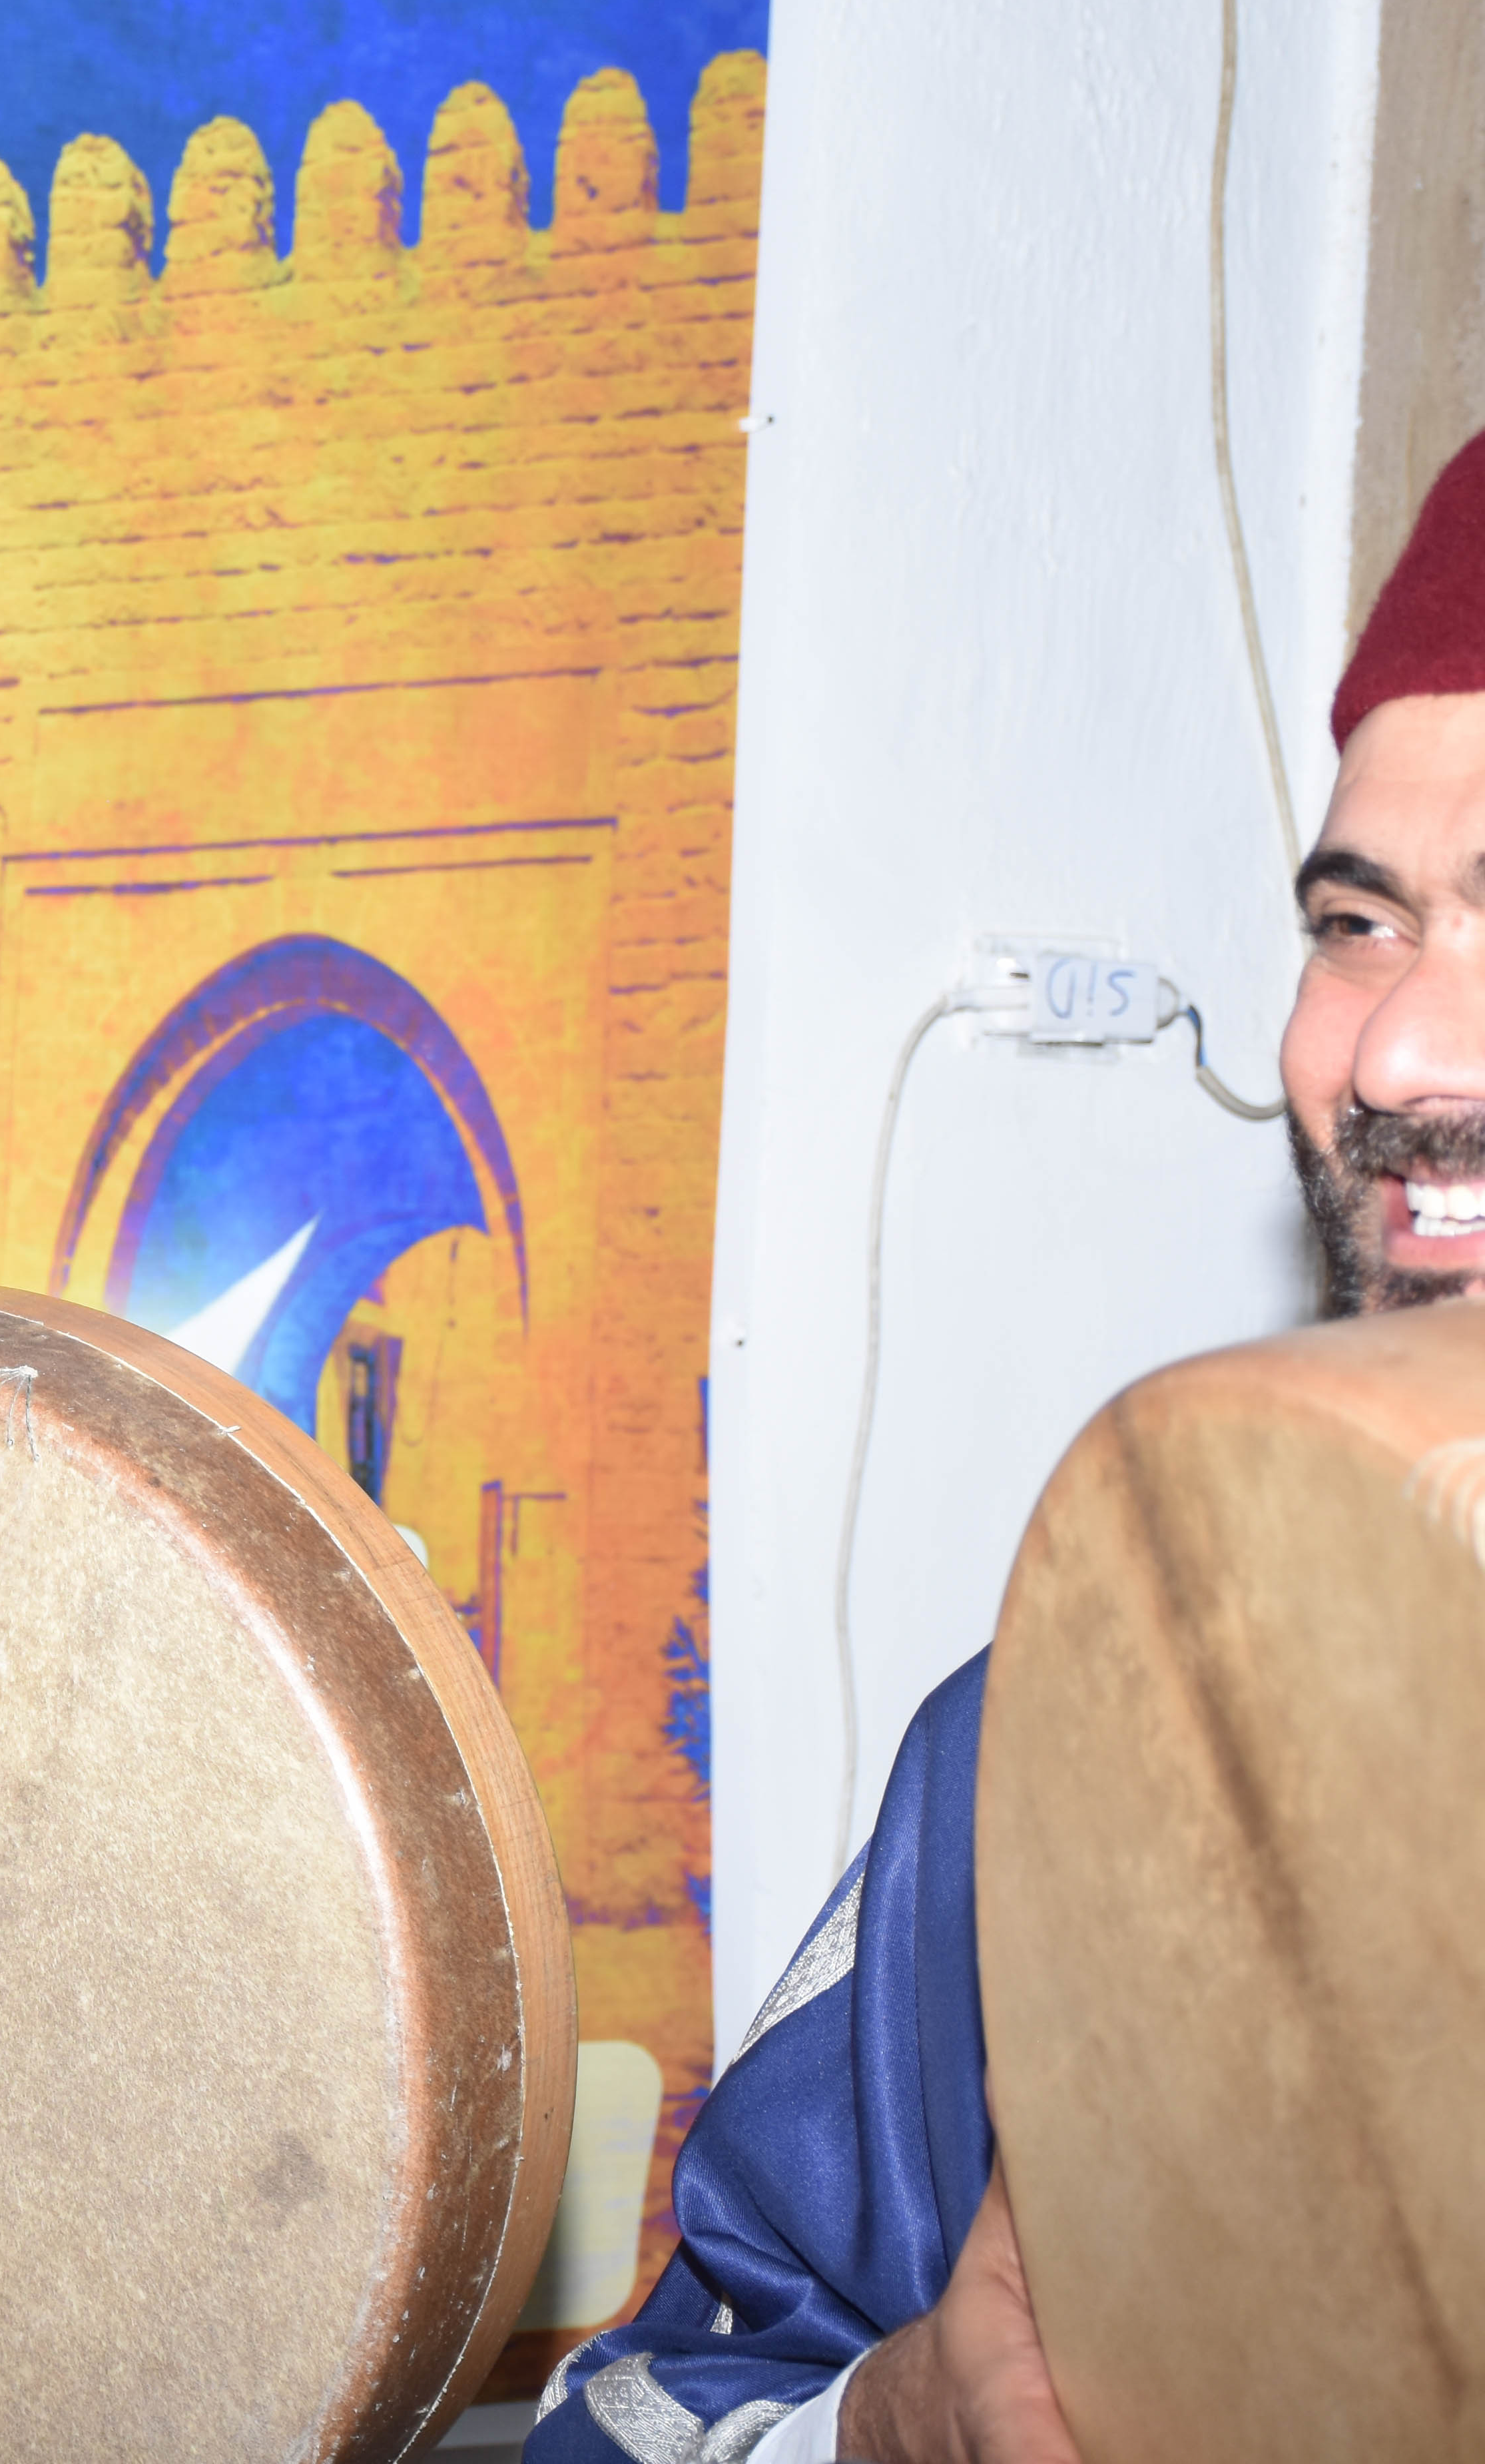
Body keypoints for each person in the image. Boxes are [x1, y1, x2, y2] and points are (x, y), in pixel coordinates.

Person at [530, 433, 1485, 2464]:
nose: (1398, 1051)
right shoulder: (1068, 1741)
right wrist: (895, 2425)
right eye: (1360, 919)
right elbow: (647, 2414)